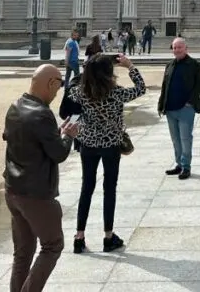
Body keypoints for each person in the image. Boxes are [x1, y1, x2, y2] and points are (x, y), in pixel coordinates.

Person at [2, 64, 79, 292]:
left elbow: (24, 139)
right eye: (57, 87)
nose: (57, 94)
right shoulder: (42, 113)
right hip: (36, 194)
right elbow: (59, 154)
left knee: (23, 253)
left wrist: (55, 134)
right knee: (52, 245)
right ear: (51, 84)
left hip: (13, 190)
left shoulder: (15, 107)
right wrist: (67, 136)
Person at [61, 53, 146, 254]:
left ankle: (79, 236)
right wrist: (130, 66)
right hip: (111, 145)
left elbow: (68, 94)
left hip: (88, 144)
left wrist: (87, 68)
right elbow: (141, 88)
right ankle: (108, 236)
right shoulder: (116, 92)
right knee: (109, 189)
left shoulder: (80, 92)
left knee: (86, 188)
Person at [157, 38, 200, 179]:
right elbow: (165, 86)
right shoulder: (170, 65)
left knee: (185, 139)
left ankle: (186, 167)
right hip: (170, 109)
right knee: (175, 139)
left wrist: (190, 102)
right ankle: (179, 164)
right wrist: (161, 105)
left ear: (186, 48)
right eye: (175, 47)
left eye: (180, 47)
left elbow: (199, 84)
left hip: (185, 109)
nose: (177, 50)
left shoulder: (194, 64)